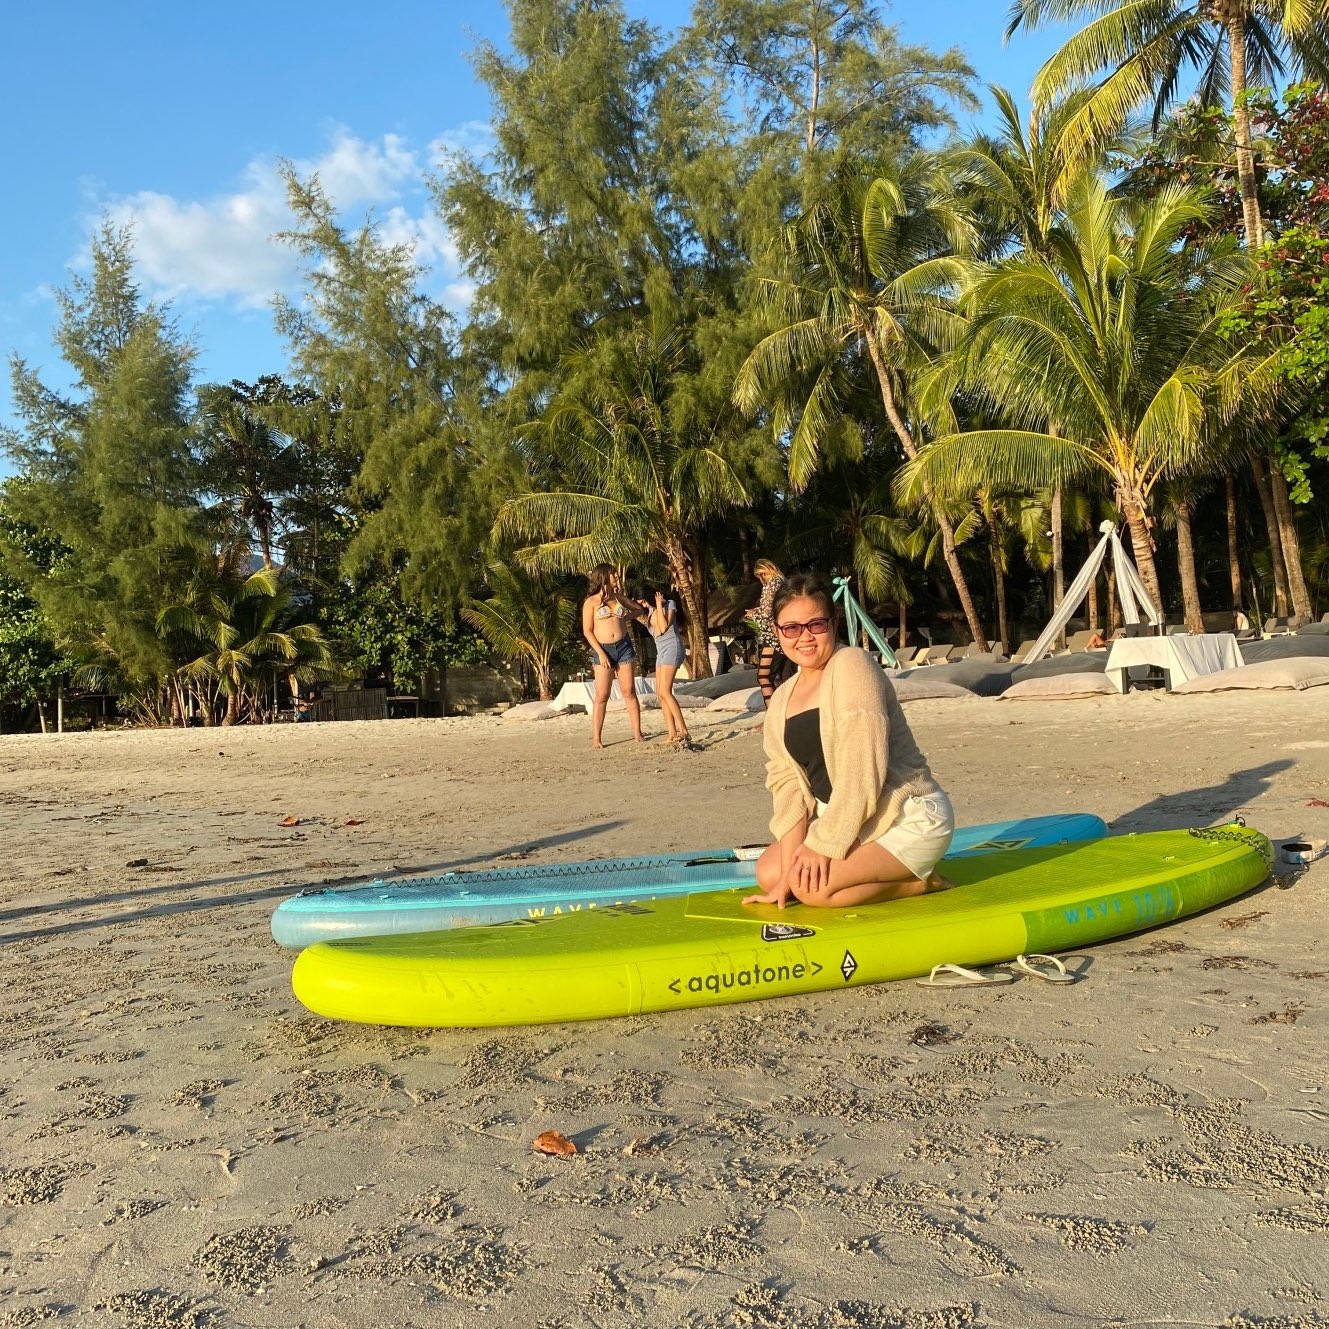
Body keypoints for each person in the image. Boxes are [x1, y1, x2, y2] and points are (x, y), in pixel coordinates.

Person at [743, 572, 956, 910]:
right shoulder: (782, 697)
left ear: (834, 622)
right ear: (777, 630)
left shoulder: (852, 666)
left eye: (816, 625)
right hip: (846, 815)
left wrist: (823, 844)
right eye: (792, 628)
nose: (805, 637)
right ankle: (832, 871)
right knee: (771, 873)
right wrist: (789, 867)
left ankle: (918, 883)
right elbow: (787, 784)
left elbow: (862, 770)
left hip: (902, 813)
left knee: (811, 890)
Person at [581, 564, 646, 749]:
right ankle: (597, 738)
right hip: (603, 650)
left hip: (624, 646)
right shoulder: (591, 602)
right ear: (603, 577)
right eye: (613, 574)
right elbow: (587, 631)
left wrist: (625, 618)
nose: (616, 576)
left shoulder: (618, 598)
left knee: (629, 691)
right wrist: (601, 654)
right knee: (602, 694)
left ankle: (637, 733)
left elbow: (639, 610)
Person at [645, 586, 698, 750]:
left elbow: (663, 628)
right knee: (660, 694)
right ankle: (671, 734)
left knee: (666, 691)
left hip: (673, 648)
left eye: (641, 600)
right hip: (661, 651)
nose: (641, 604)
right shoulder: (649, 611)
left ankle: (684, 731)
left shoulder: (669, 604)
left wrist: (659, 605)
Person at [752, 558, 788, 706]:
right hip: (779, 635)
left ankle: (772, 715)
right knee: (779, 677)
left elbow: (767, 613)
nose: (761, 578)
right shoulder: (782, 584)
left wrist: (754, 614)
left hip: (773, 637)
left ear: (770, 569)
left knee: (764, 676)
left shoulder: (772, 584)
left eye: (762, 574)